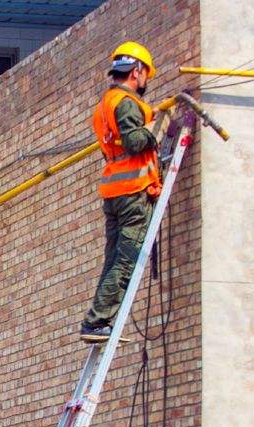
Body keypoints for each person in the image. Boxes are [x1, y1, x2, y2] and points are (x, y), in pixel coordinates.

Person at [80, 41, 173, 343]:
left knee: (113, 258)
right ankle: (98, 321)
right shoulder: (126, 102)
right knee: (126, 258)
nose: (146, 80)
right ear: (137, 71)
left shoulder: (105, 104)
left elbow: (120, 140)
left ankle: (97, 319)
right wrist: (156, 129)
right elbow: (134, 142)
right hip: (133, 190)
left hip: (114, 191)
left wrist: (148, 117)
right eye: (146, 74)